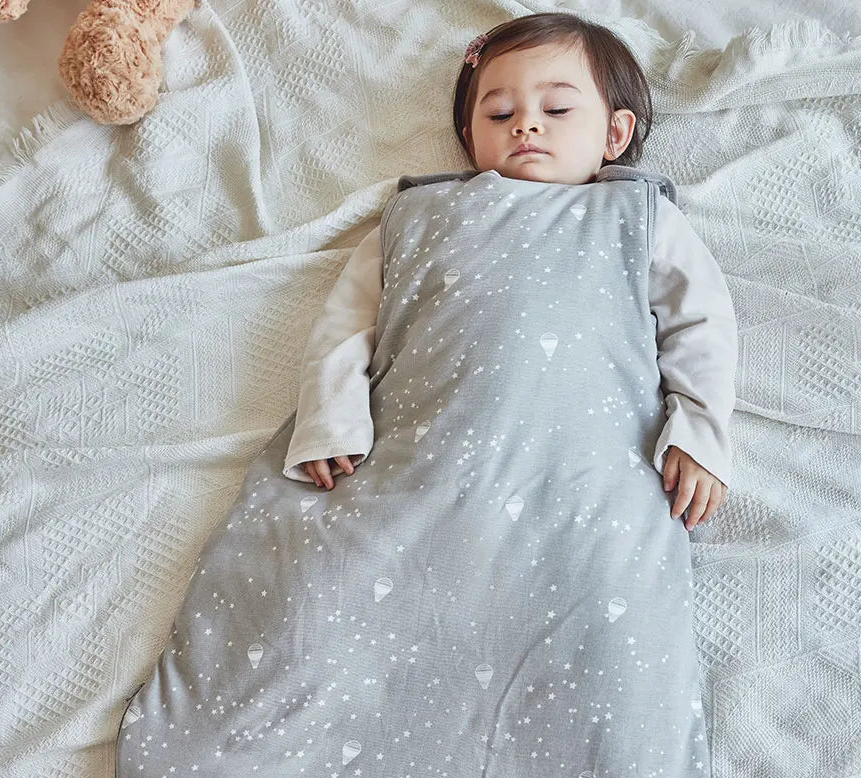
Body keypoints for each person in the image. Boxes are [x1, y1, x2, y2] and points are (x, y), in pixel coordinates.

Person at [283, 11, 736, 534]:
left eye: (557, 108)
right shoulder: (421, 213)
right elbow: (346, 322)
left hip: (592, 467)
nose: (525, 124)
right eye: (499, 114)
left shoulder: (638, 215)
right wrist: (330, 416)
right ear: (470, 139)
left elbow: (700, 323)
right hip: (422, 447)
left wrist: (698, 432)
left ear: (615, 133)